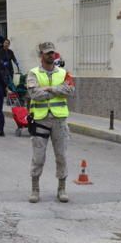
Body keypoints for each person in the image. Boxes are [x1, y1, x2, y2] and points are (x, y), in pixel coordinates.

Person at [27, 41, 75, 203]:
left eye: (52, 52)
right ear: (41, 55)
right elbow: (35, 95)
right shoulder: (33, 73)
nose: (51, 55)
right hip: (40, 120)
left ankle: (62, 188)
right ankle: (35, 189)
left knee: (61, 156)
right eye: (47, 53)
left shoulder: (63, 72)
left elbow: (69, 90)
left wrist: (49, 89)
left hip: (59, 120)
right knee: (38, 157)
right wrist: (57, 91)